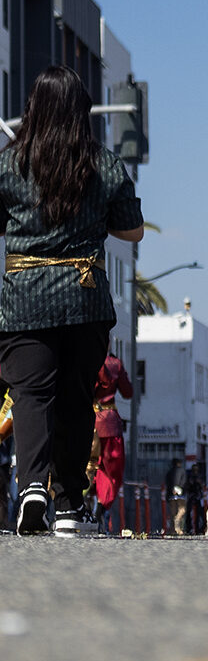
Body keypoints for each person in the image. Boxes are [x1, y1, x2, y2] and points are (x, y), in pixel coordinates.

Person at [0, 65, 144, 535]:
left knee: (31, 395)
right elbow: (133, 229)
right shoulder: (102, 164)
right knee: (76, 399)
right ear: (82, 111)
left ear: (32, 109)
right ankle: (67, 506)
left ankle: (32, 488)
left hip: (24, 299)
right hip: (84, 300)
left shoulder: (9, 163)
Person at [87, 348, 133, 526]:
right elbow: (128, 392)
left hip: (84, 420)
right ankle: (100, 507)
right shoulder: (114, 363)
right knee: (111, 470)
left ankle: (75, 504)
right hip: (108, 423)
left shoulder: (78, 356)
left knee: (82, 465)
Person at [165, 456, 188, 535]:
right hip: (181, 494)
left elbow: (167, 483)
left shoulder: (169, 472)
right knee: (182, 510)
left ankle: (173, 529)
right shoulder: (182, 471)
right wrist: (180, 489)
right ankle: (178, 525)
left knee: (173, 513)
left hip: (171, 494)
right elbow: (184, 481)